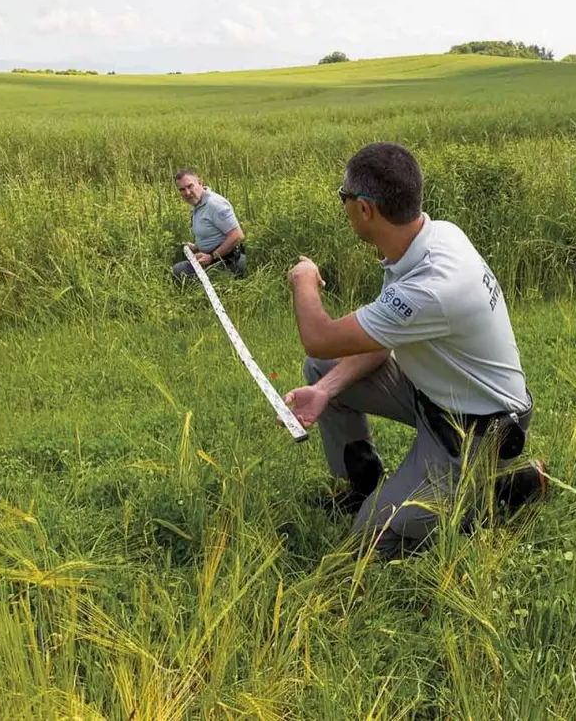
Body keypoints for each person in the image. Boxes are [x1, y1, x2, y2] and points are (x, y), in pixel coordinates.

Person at [283, 142, 547, 560]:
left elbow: (319, 335)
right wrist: (327, 390)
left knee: (370, 541)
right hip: (432, 393)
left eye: (343, 196)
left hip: (474, 429)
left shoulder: (431, 287)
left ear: (366, 209)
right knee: (321, 370)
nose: (343, 204)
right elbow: (380, 338)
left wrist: (304, 278)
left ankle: (497, 486)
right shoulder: (433, 235)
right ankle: (361, 485)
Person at [172, 169, 247, 282]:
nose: (187, 193)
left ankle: (227, 279)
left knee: (178, 271)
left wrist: (212, 257)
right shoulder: (198, 204)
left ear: (200, 182)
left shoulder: (214, 204)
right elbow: (212, 233)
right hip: (213, 257)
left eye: (190, 186)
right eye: (182, 189)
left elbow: (237, 236)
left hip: (228, 260)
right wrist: (197, 247)